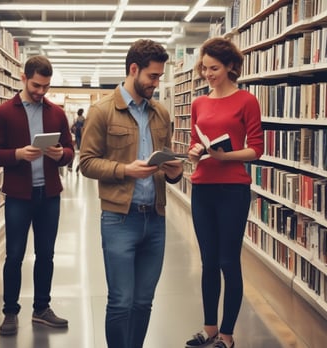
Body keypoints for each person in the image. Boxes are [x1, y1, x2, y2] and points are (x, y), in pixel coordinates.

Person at [79, 39, 184, 348]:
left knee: (143, 301)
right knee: (121, 301)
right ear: (133, 69)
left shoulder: (161, 114)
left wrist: (174, 172)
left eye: (160, 77)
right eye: (152, 76)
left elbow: (163, 160)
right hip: (119, 219)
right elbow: (86, 163)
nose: (156, 82)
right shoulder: (102, 111)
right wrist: (125, 170)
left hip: (156, 219)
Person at [0, 55, 74, 336]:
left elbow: (70, 151)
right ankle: (10, 312)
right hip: (18, 196)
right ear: (23, 78)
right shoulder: (3, 112)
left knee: (46, 254)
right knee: (14, 255)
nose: (40, 92)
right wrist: (18, 154)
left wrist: (62, 155)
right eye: (36, 85)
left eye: (46, 87)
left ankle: (41, 309)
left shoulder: (56, 113)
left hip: (49, 195)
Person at [185, 37, 264, 348]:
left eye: (213, 68)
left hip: (233, 188)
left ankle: (228, 336)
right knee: (207, 262)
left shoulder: (247, 100)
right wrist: (195, 152)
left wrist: (225, 157)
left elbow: (256, 149)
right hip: (202, 187)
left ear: (231, 66)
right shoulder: (198, 103)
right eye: (204, 68)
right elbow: (195, 140)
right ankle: (209, 329)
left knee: (228, 261)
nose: (207, 74)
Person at [68, 108, 85, 173]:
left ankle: (71, 165)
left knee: (76, 151)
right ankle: (77, 166)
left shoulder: (76, 119)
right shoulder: (83, 119)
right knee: (80, 151)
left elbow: (73, 127)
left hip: (77, 135)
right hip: (81, 135)